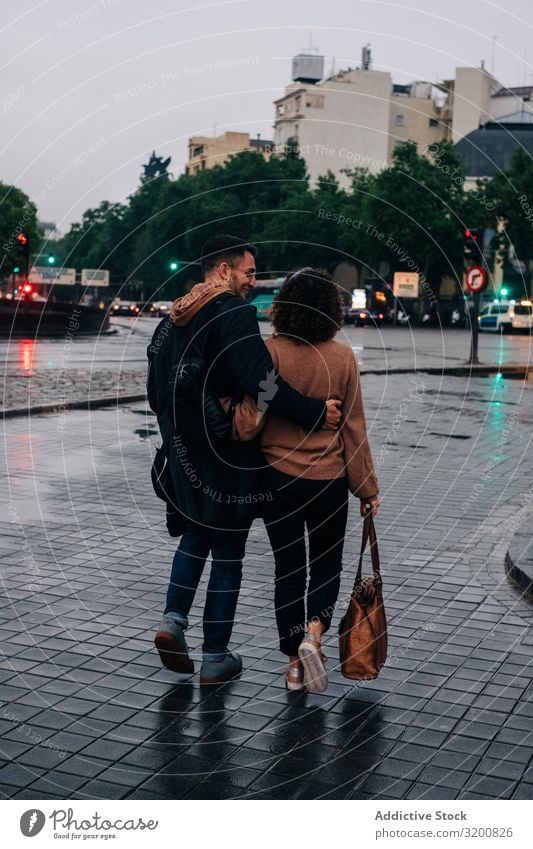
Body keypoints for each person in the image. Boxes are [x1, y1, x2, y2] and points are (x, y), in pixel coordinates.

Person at [147, 237, 342, 685]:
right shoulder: (232, 312)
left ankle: (172, 620)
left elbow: (156, 388)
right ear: (222, 269)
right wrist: (315, 413)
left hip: (183, 452)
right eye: (248, 272)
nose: (253, 282)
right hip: (228, 454)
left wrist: (179, 437)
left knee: (196, 534)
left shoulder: (173, 317)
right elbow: (262, 380)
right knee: (229, 550)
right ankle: (216, 656)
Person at [259, 268, 380, 692]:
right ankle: (315, 634)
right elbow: (354, 427)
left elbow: (257, 414)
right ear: (331, 308)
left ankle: (294, 664)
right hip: (329, 481)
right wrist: (367, 488)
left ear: (284, 306)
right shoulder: (343, 356)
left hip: (278, 478)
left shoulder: (269, 352)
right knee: (327, 564)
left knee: (288, 570)